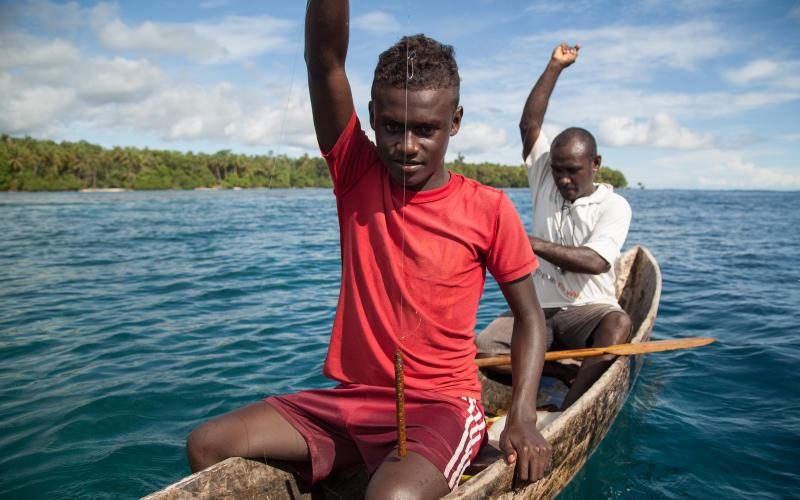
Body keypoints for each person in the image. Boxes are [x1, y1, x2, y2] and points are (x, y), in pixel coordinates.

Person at [186, 2, 552, 497]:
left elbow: (530, 318)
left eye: (426, 129)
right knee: (207, 444)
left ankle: (453, 450)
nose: (407, 145)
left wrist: (523, 417)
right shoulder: (356, 172)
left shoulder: (488, 209)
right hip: (355, 401)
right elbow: (325, 60)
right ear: (373, 117)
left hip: (442, 404)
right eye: (393, 127)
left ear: (456, 121)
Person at [476, 43, 633, 410]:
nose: (561, 179)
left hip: (588, 309)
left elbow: (596, 261)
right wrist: (554, 67)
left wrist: (529, 242)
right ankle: (561, 373)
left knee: (618, 326)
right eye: (557, 169)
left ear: (595, 163)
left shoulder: (614, 205)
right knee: (484, 351)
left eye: (572, 170)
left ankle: (570, 408)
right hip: (540, 309)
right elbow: (529, 124)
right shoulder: (545, 178)